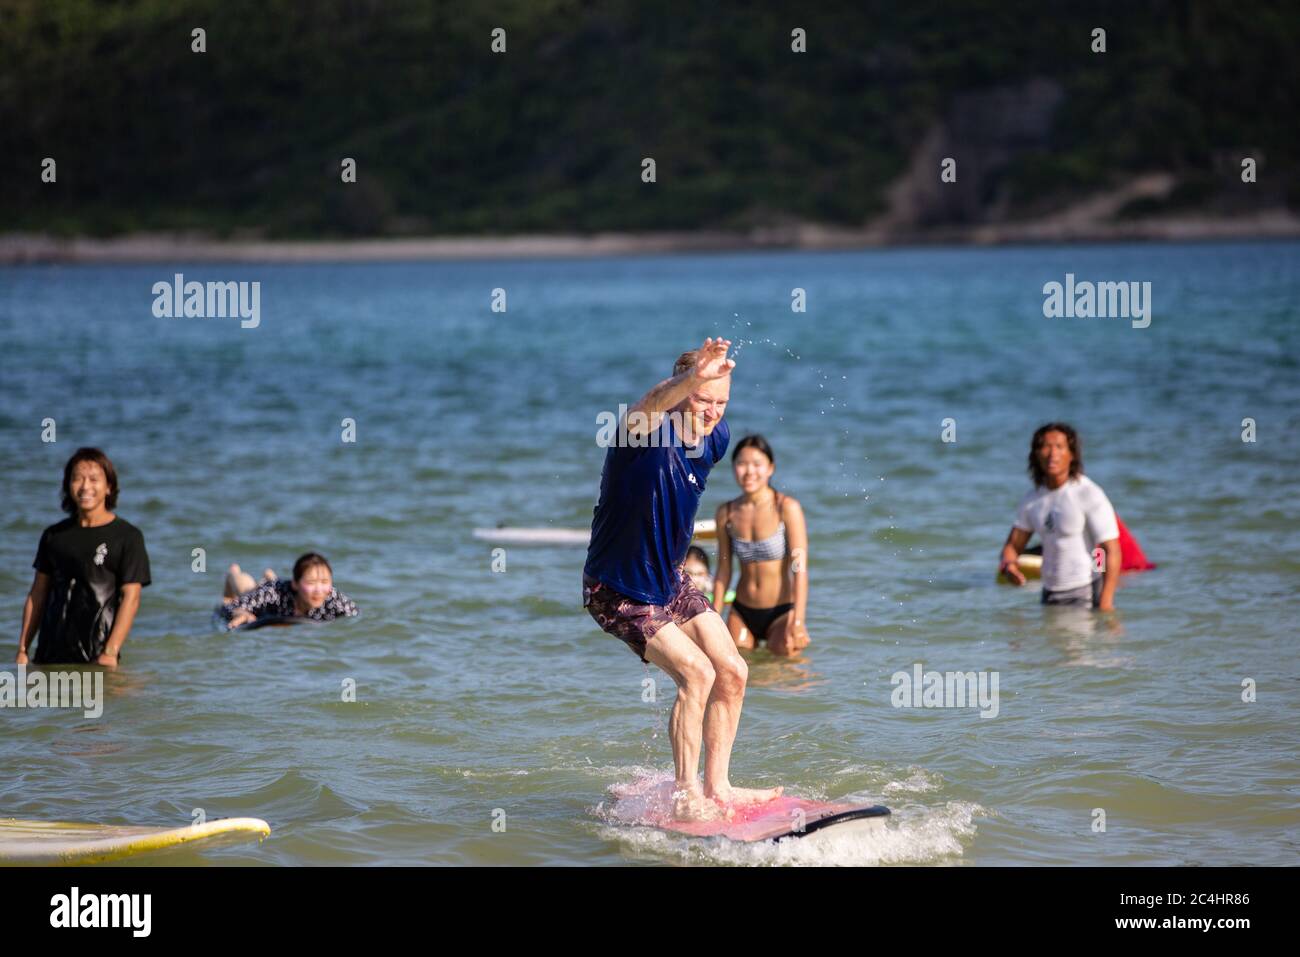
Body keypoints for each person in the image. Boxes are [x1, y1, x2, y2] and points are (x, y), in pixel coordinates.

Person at [583, 337, 781, 821]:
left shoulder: (716, 438)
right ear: (681, 390)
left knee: (733, 671)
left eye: (721, 400)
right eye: (701, 397)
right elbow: (648, 405)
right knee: (697, 673)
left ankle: (720, 787)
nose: (713, 411)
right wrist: (688, 381)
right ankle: (685, 792)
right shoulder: (640, 435)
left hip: (668, 581)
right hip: (617, 588)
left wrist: (705, 390)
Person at [16, 447, 151, 667]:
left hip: (98, 657)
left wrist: (110, 651)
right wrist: (23, 649)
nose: (85, 486)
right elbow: (37, 593)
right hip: (49, 656)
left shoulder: (128, 536)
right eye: (77, 479)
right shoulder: (54, 536)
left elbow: (131, 598)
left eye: (93, 479)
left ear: (109, 487)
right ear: (68, 486)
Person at [999, 423, 1121, 610]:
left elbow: (1110, 550)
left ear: (1072, 454)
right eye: (1046, 446)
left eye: (1059, 446)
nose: (1052, 453)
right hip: (1048, 593)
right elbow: (1012, 547)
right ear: (1036, 454)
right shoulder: (1032, 500)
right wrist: (1009, 567)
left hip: (1085, 591)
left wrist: (1106, 600)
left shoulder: (1088, 493)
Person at [712, 435, 810, 655]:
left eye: (757, 464)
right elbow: (723, 571)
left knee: (789, 677)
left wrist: (798, 621)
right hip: (742, 611)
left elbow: (799, 569)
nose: (749, 472)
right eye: (741, 464)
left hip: (781, 612)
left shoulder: (786, 508)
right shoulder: (726, 513)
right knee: (734, 670)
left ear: (770, 468)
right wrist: (715, 617)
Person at [216, 553, 358, 629]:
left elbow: (357, 617)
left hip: (282, 601)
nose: (319, 590)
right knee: (247, 588)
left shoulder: (333, 598)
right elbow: (229, 607)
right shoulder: (273, 593)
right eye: (311, 583)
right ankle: (233, 574)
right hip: (269, 597)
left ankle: (270, 576)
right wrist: (242, 613)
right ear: (295, 583)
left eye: (325, 582)